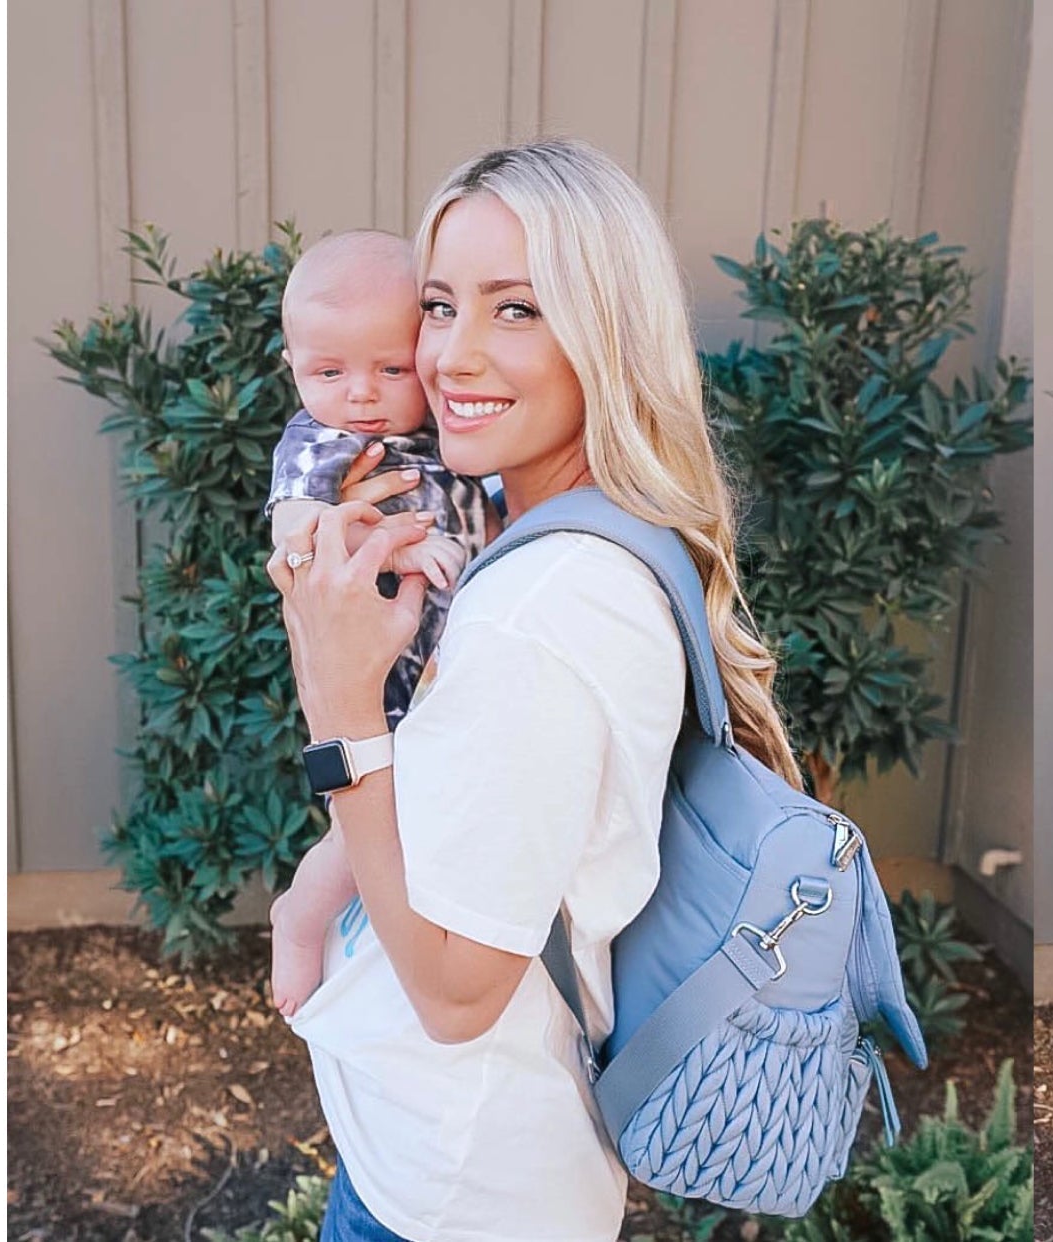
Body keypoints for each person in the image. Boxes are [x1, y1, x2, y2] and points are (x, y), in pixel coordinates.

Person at [266, 138, 803, 1242]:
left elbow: (458, 996)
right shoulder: (586, 534)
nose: (454, 356)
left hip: (451, 1188)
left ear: (604, 332)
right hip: (473, 1159)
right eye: (438, 304)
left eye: (517, 308)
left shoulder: (544, 606)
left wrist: (340, 710)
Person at [264, 229, 496, 1019]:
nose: (361, 393)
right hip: (386, 682)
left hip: (446, 666)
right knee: (365, 836)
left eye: (390, 369)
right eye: (330, 371)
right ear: (293, 366)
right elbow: (297, 532)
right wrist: (394, 537)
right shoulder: (321, 439)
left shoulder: (444, 434)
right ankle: (299, 920)